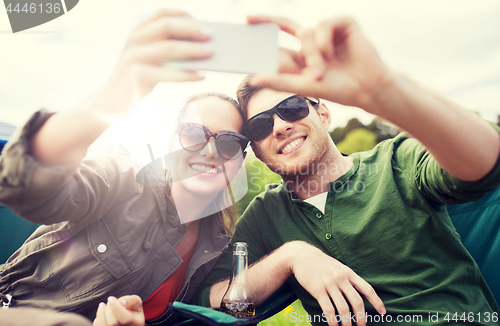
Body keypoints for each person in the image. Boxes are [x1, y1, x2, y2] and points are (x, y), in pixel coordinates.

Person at [192, 14, 500, 326]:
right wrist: (291, 256)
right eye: (260, 125)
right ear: (255, 150)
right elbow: (211, 301)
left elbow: (486, 162)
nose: (281, 126)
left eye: (292, 108)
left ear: (323, 114)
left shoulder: (396, 161)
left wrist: (385, 88)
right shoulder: (265, 216)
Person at [0, 9, 248, 326]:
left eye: (228, 143)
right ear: (172, 142)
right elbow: (23, 186)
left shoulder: (218, 247)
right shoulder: (123, 177)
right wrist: (117, 93)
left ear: (240, 158)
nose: (211, 150)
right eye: (195, 134)